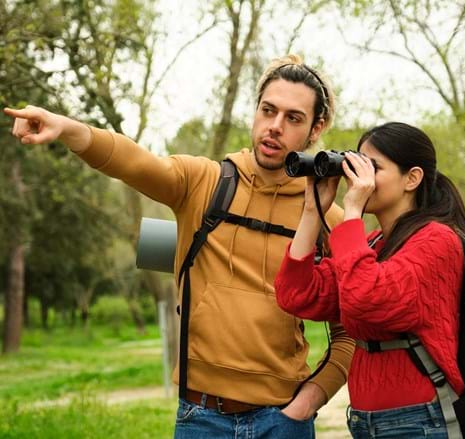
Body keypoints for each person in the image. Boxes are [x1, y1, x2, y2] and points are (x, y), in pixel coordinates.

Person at [4, 54, 354, 439]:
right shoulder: (204, 181)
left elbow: (350, 332)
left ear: (316, 127)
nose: (274, 127)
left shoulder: (326, 217)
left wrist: (310, 400)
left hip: (283, 421)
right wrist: (67, 128)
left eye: (293, 118)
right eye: (268, 110)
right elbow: (132, 161)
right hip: (201, 418)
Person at [274, 122, 465, 438]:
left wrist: (351, 211)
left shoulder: (438, 241)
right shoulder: (374, 245)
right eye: (355, 164)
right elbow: (296, 295)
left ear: (412, 178)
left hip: (420, 422)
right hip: (366, 422)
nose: (357, 178)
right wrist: (312, 211)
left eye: (372, 167)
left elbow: (366, 299)